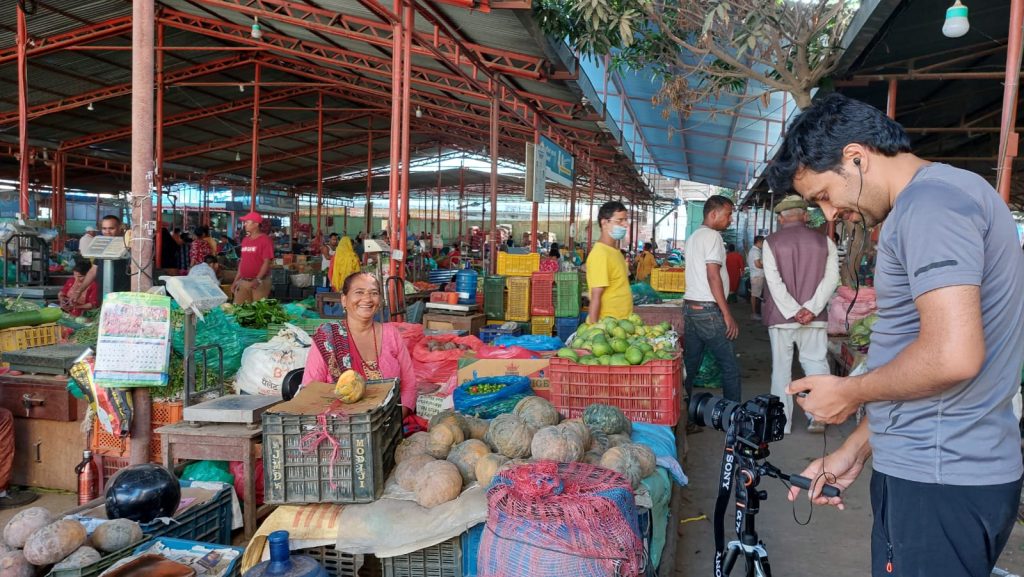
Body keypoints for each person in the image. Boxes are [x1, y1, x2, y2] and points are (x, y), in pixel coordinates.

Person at [768, 93, 1024, 577]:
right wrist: (855, 447)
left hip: (940, 480)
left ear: (856, 157)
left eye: (824, 194)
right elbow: (920, 363)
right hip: (935, 468)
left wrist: (850, 391)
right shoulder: (943, 197)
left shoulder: (931, 206)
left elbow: (952, 357)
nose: (829, 213)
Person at [760, 195, 839, 434]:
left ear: (781, 219)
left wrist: (794, 311)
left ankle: (780, 423)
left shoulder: (771, 242)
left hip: (782, 318)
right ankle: (818, 416)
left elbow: (774, 282)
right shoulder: (826, 242)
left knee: (782, 369)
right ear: (805, 216)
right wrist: (811, 309)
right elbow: (832, 279)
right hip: (814, 319)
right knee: (816, 365)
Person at [302, 272, 417, 417]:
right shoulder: (328, 338)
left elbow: (409, 385)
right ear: (344, 300)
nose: (367, 299)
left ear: (380, 300)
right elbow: (311, 391)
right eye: (359, 292)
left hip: (388, 424)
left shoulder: (391, 334)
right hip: (341, 428)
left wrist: (393, 418)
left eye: (373, 293)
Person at [683, 195, 741, 407]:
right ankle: (733, 418)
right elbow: (712, 275)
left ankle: (683, 414)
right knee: (729, 366)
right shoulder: (713, 237)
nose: (730, 219)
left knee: (690, 364)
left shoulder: (694, 237)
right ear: (713, 214)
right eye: (728, 214)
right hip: (708, 311)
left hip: (690, 309)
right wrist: (727, 314)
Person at [585, 201, 632, 323]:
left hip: (621, 324)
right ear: (604, 223)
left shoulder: (615, 251)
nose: (625, 224)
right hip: (607, 326)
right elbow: (596, 297)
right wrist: (595, 329)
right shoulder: (600, 254)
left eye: (626, 220)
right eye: (620, 220)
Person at [71, 214, 129, 301]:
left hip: (122, 296)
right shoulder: (102, 244)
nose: (107, 232)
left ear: (120, 228)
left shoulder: (128, 245)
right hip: (104, 295)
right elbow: (93, 270)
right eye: (104, 228)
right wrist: (79, 291)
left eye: (111, 228)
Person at [232, 212, 274, 304]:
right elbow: (242, 261)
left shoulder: (265, 240)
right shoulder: (245, 240)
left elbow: (266, 262)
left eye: (247, 222)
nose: (245, 224)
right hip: (244, 281)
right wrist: (235, 281)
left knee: (257, 311)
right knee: (239, 310)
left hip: (260, 282)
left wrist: (258, 279)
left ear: (256, 224)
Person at [747, 236, 765, 320]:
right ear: (759, 242)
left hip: (756, 276)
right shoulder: (755, 251)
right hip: (757, 276)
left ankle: (756, 312)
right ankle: (754, 313)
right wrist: (767, 265)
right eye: (763, 242)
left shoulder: (754, 250)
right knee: (754, 295)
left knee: (756, 295)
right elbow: (757, 264)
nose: (763, 245)